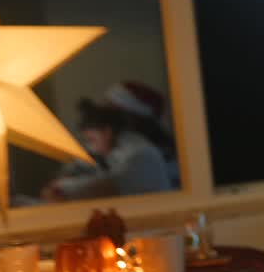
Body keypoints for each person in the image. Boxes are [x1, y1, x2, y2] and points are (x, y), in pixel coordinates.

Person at [42, 81, 177, 200]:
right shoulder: (110, 147)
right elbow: (77, 166)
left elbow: (112, 185)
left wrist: (64, 188)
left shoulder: (142, 154)